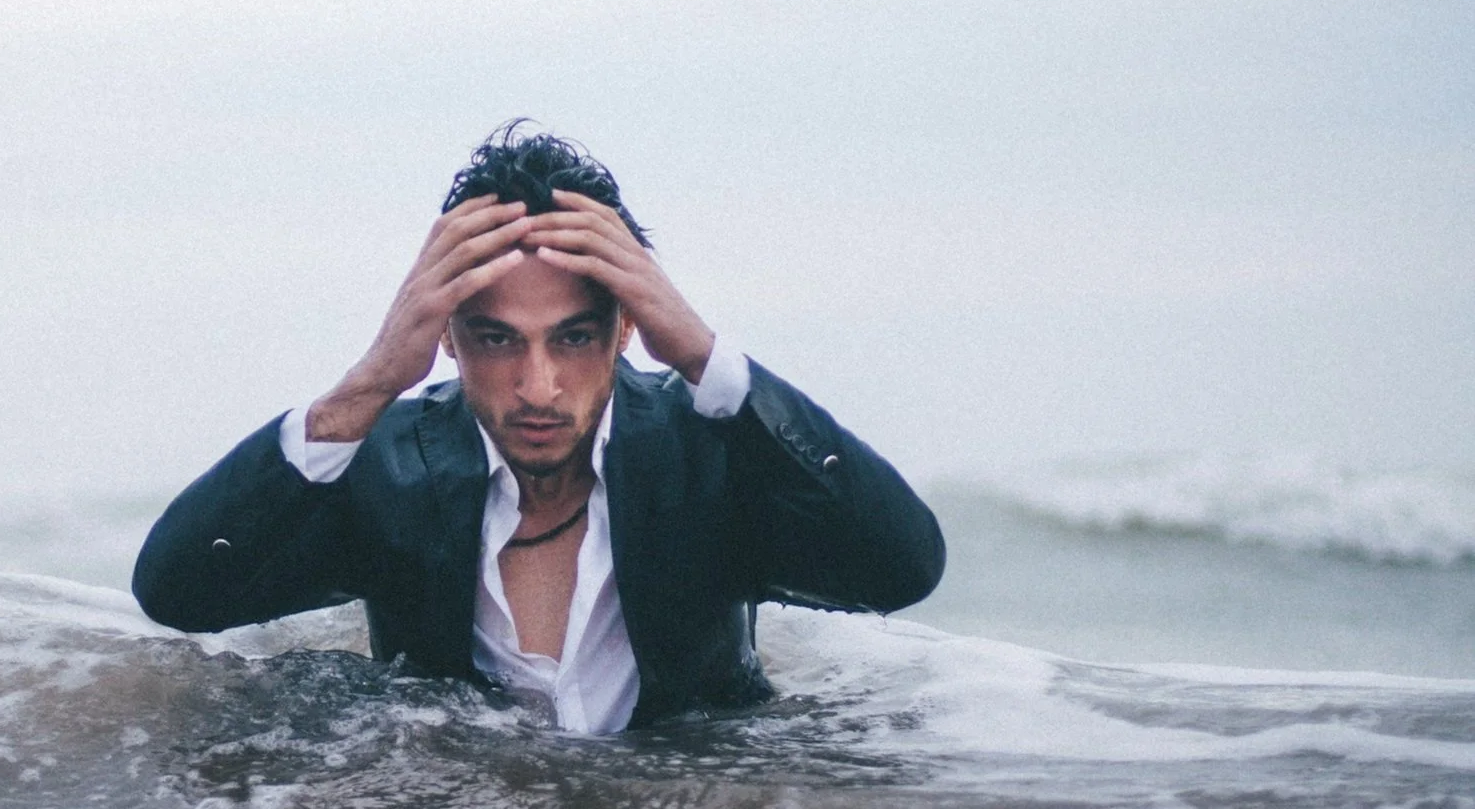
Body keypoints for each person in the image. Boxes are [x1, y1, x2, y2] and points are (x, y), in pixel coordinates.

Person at [135, 126, 944, 732]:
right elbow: (180, 593)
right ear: (444, 333)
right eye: (495, 339)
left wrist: (700, 353)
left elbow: (899, 566)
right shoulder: (386, 465)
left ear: (626, 327)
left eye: (572, 335)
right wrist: (371, 381)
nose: (537, 386)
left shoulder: (709, 452)